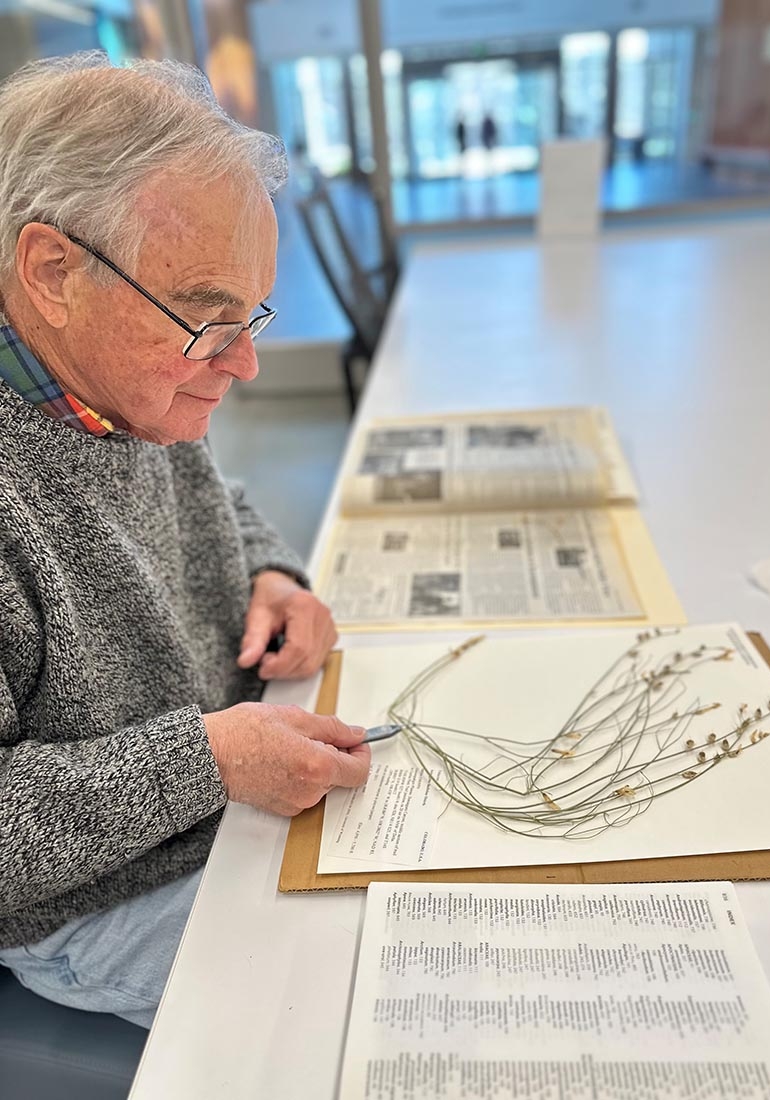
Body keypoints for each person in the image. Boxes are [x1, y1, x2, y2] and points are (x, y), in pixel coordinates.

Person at [0, 52, 370, 1028]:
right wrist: (205, 760)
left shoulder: (116, 384)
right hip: (95, 898)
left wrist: (270, 570)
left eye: (248, 315)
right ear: (51, 271)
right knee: (381, 1000)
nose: (242, 363)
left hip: (226, 797)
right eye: (208, 321)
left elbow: (216, 491)